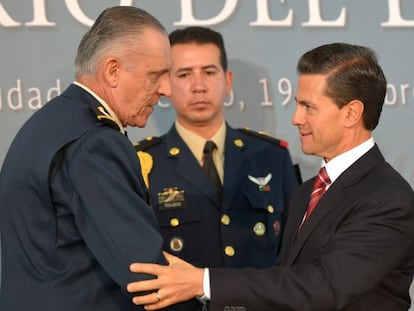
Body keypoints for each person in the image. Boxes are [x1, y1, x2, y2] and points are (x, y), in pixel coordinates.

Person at [126, 42, 414, 311]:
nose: (296, 119)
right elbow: (285, 285)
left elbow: (323, 287)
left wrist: (202, 281)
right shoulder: (309, 192)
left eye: (309, 107)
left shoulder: (387, 199)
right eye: (297, 104)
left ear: (351, 113)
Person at [0, 6, 196, 311]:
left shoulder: (52, 123)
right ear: (113, 70)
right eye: (156, 75)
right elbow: (144, 274)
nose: (167, 90)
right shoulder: (96, 142)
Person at [134, 26, 298, 272]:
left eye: (209, 72)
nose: (198, 86)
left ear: (228, 80)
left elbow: (295, 255)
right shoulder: (142, 164)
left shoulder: (272, 157)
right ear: (166, 84)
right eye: (184, 74)